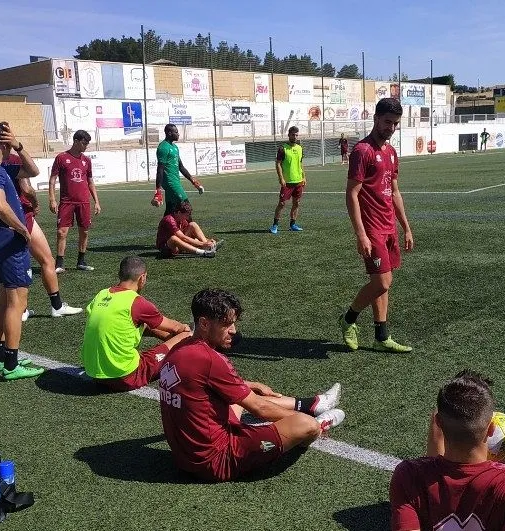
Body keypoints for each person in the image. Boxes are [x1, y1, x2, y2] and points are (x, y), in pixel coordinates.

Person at [158, 288, 345, 482]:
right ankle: (319, 423)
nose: (234, 331)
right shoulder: (210, 359)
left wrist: (249, 384)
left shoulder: (179, 348)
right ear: (204, 323)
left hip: (184, 458)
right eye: (227, 324)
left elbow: (193, 384)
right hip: (217, 461)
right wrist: (303, 422)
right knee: (304, 424)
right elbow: (260, 408)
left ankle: (313, 404)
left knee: (241, 395)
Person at [389, 369, 505, 531]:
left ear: (439, 423)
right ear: (491, 428)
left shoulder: (408, 474)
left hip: (432, 498)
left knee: (443, 412)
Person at [338, 98, 414, 353]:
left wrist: (405, 226)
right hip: (372, 228)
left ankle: (381, 337)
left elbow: (394, 191)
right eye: (387, 122)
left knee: (384, 282)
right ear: (376, 119)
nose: (391, 128)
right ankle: (348, 319)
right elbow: (351, 194)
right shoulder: (362, 151)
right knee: (381, 283)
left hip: (389, 226)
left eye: (395, 124)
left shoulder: (391, 153)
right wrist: (360, 233)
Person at [0, 122, 44, 380]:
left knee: (4, 300)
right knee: (17, 303)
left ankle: (0, 357)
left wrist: (19, 147)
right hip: (9, 241)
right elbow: (0, 205)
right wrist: (22, 229)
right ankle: (12, 365)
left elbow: (33, 171)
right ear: (3, 142)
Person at [1, 126, 82, 320]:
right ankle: (55, 306)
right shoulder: (12, 160)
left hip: (0, 221)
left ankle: (21, 309)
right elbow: (27, 189)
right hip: (22, 215)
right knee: (46, 261)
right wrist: (35, 203)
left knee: (11, 265)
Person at [81, 256, 191, 391]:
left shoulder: (101, 294)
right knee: (185, 335)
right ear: (142, 278)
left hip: (94, 374)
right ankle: (198, 347)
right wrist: (185, 330)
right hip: (124, 377)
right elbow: (177, 327)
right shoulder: (136, 302)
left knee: (142, 324)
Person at [49, 130, 101, 273]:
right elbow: (52, 180)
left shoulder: (86, 161)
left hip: (83, 202)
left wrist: (96, 201)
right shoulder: (61, 158)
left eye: (87, 144)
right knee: (61, 232)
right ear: (76, 141)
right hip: (66, 202)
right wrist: (52, 199)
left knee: (84, 231)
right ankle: (59, 263)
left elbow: (90, 182)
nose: (86, 146)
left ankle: (81, 261)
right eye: (84, 143)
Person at [152, 124, 203, 214]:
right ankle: (192, 228)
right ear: (169, 133)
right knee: (187, 208)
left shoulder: (175, 147)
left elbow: (181, 167)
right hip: (170, 183)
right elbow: (160, 169)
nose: (178, 134)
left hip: (175, 181)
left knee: (170, 210)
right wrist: (158, 190)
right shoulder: (163, 147)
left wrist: (194, 181)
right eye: (176, 132)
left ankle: (164, 228)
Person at [270, 126, 306, 234]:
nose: (295, 137)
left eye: (296, 135)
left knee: (297, 203)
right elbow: (278, 164)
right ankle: (275, 225)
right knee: (281, 204)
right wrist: (281, 178)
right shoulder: (283, 148)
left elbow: (300, 163)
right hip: (287, 182)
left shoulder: (300, 148)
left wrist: (304, 176)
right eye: (293, 135)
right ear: (289, 135)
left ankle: (293, 224)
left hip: (298, 181)